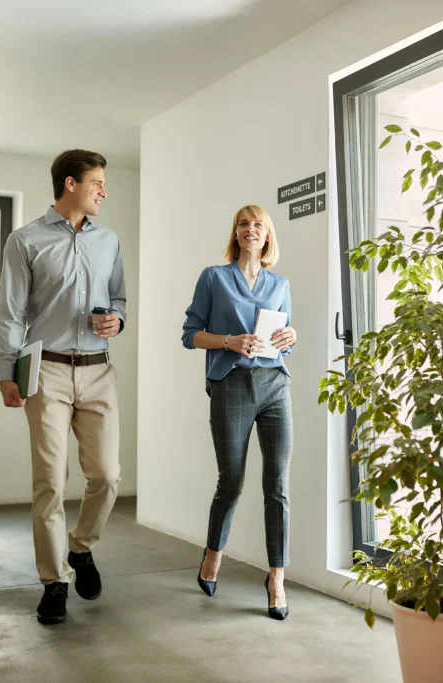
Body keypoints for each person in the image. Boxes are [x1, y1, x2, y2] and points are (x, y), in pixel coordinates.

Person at [0, 149, 126, 625]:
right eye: (97, 183)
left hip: (98, 369)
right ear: (70, 184)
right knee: (50, 482)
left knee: (107, 475)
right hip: (45, 371)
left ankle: (82, 547)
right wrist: (7, 373)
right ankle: (53, 582)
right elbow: (9, 312)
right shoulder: (24, 240)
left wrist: (117, 320)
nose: (103, 191)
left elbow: (118, 298)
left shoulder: (108, 241)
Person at [181, 205, 297, 621]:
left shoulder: (280, 284)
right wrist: (229, 342)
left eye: (259, 225)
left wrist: (291, 336)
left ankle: (277, 578)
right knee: (231, 481)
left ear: (268, 236)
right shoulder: (214, 277)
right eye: (244, 224)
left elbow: (283, 336)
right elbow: (190, 334)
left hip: (274, 386)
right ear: (236, 233)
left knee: (277, 486)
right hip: (230, 386)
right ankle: (213, 556)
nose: (251, 230)